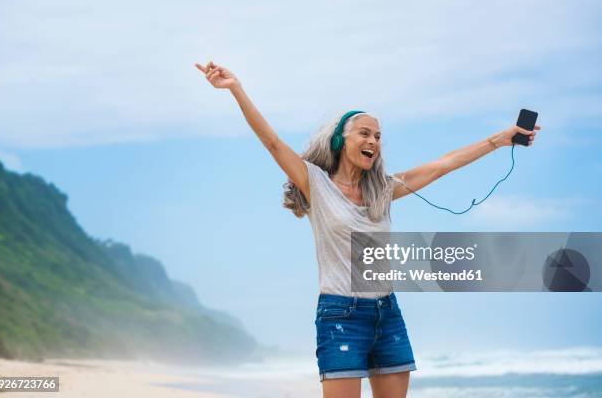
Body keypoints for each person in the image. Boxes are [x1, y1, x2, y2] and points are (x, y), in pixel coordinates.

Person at [194, 61, 540, 398]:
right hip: (340, 314)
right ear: (340, 141)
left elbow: (442, 165)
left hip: (387, 312)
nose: (373, 140)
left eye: (377, 136)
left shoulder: (383, 190)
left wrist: (500, 139)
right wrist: (236, 90)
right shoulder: (315, 183)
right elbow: (271, 142)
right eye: (364, 133)